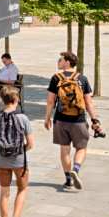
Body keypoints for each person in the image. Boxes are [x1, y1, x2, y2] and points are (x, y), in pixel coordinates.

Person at [45, 49, 97, 190]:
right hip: (78, 120)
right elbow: (88, 102)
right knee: (81, 148)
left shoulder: (56, 78)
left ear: (67, 62)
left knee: (64, 149)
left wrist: (47, 118)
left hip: (61, 120)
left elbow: (50, 101)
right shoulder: (82, 79)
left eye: (60, 60)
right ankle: (76, 168)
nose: (58, 62)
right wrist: (94, 120)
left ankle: (68, 179)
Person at [0, 82, 33, 217]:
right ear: (16, 99)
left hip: (1, 160)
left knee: (4, 193)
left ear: (2, 100)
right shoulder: (22, 118)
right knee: (22, 189)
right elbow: (31, 143)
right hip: (19, 160)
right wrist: (20, 150)